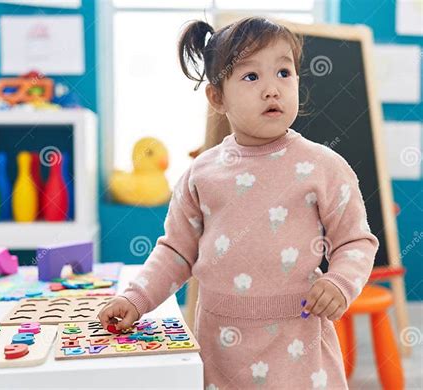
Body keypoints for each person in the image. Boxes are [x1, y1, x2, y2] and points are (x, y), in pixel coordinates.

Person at [98, 16, 379, 389]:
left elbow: (356, 240)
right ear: (217, 96)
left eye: (284, 72)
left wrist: (341, 281)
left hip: (297, 343)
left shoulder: (323, 166)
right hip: (221, 344)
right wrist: (137, 298)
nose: (272, 90)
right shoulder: (201, 174)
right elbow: (176, 252)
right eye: (251, 77)